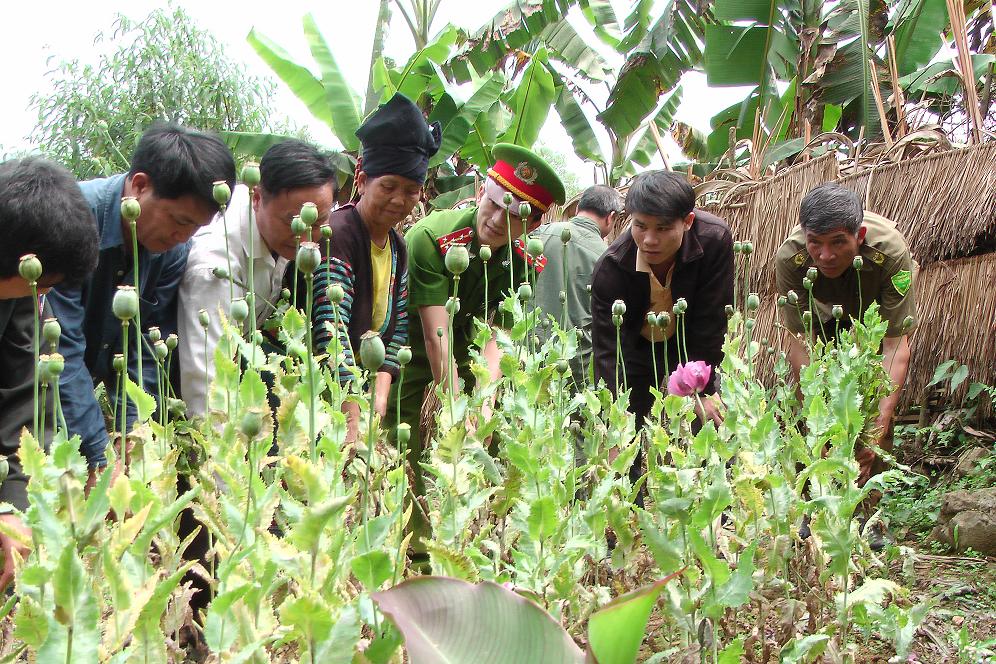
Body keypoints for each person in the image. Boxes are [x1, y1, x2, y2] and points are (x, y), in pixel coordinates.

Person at [387, 143, 565, 550]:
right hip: (409, 355)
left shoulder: (525, 259)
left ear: (534, 224)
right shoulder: (434, 238)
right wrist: (453, 408)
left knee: (484, 447)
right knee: (405, 452)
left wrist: (482, 404)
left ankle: (467, 539)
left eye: (515, 215)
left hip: (465, 358)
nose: (498, 220)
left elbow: (496, 335)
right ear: (483, 190)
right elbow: (436, 338)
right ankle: (410, 550)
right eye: (495, 203)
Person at [47, 123, 235, 472]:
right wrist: (99, 456)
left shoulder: (173, 251)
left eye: (195, 227)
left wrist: (131, 434)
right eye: (179, 221)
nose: (183, 237)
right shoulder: (70, 222)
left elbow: (145, 350)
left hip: (70, 402)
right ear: (140, 185)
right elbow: (60, 350)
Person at [307, 93, 440, 440]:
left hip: (360, 395)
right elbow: (330, 331)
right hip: (316, 392)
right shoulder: (337, 233)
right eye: (389, 186)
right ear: (363, 179)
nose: (399, 199)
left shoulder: (398, 246)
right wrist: (352, 415)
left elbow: (395, 333)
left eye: (412, 190)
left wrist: (379, 400)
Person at [178, 139, 336, 416]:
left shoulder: (282, 233)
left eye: (319, 223)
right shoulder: (215, 264)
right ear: (257, 198)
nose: (306, 238)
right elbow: (204, 385)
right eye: (294, 222)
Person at [775, 183, 917, 486]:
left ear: (859, 236)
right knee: (821, 409)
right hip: (823, 313)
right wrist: (815, 420)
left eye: (838, 243)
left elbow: (894, 347)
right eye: (815, 243)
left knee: (874, 401)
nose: (825, 255)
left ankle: (871, 506)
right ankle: (817, 496)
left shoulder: (890, 252)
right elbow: (802, 345)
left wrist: (877, 427)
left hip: (874, 311)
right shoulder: (791, 258)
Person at [0, 157, 99, 589]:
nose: (42, 295)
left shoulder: (22, 294)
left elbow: (23, 398)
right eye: (38, 284)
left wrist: (12, 507)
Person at [591, 170, 733, 429]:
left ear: (688, 221)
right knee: (623, 434)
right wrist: (612, 420)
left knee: (709, 427)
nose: (649, 240)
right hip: (635, 349)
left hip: (691, 343)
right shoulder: (611, 268)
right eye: (641, 226)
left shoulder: (714, 240)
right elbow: (609, 353)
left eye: (663, 228)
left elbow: (711, 321)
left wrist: (702, 390)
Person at [532, 184, 621, 383]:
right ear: (611, 217)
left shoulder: (538, 235)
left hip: (529, 355)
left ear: (579, 206)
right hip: (574, 366)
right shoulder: (609, 258)